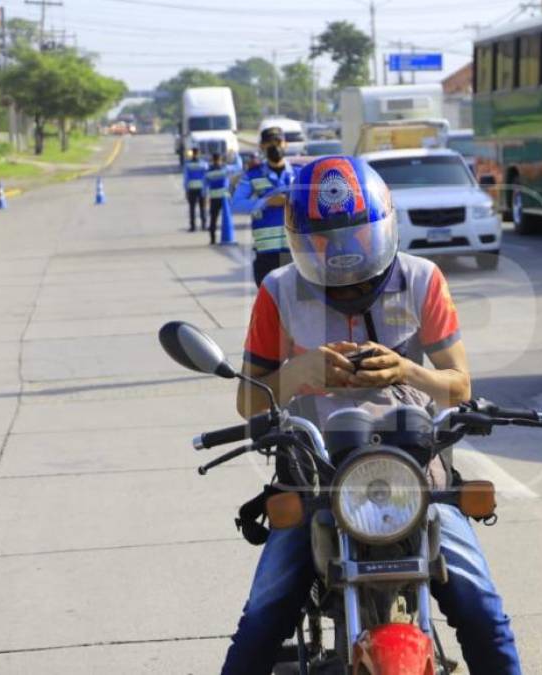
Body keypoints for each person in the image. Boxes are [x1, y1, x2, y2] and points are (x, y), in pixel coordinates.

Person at [222, 156, 521, 675]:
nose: (340, 254)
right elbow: (250, 401)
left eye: (354, 237)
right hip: (318, 476)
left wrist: (406, 370)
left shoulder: (422, 278)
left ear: (382, 228)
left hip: (413, 472)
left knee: (482, 610)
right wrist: (302, 372)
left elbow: (459, 385)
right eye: (324, 241)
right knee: (263, 616)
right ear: (301, 240)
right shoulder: (278, 292)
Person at [233, 127, 295, 286]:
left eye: (278, 142)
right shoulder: (252, 176)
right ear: (261, 147)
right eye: (269, 143)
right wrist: (266, 202)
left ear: (286, 144)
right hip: (266, 254)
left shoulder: (299, 174)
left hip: (296, 253)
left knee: (298, 307)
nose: (274, 146)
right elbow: (236, 205)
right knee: (269, 307)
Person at [204, 152, 234, 245]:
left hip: (214, 197)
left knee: (213, 219)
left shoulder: (209, 171)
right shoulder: (225, 169)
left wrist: (205, 196)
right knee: (227, 218)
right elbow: (238, 167)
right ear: (220, 160)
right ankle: (227, 236)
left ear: (213, 160)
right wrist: (235, 155)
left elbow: (205, 185)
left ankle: (212, 239)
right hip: (224, 198)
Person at [182, 147, 208, 232]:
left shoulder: (188, 164)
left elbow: (186, 178)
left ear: (192, 153)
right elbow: (206, 177)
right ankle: (204, 225)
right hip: (201, 189)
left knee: (192, 208)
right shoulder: (203, 164)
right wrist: (206, 189)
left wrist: (186, 189)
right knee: (202, 207)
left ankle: (193, 226)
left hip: (191, 188)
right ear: (198, 154)